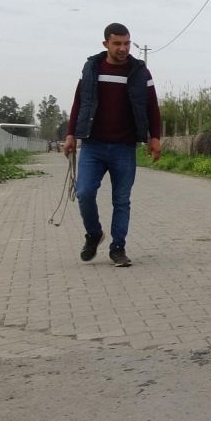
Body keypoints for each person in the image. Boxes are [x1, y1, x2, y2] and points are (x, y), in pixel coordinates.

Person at [62, 23, 162, 267]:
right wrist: (70, 134)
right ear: (106, 43)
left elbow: (152, 106)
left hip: (124, 147)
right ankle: (94, 234)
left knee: (121, 200)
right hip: (93, 147)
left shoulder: (140, 72)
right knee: (84, 193)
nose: (123, 48)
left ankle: (118, 248)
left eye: (127, 43)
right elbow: (79, 102)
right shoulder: (92, 68)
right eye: (117, 43)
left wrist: (155, 137)